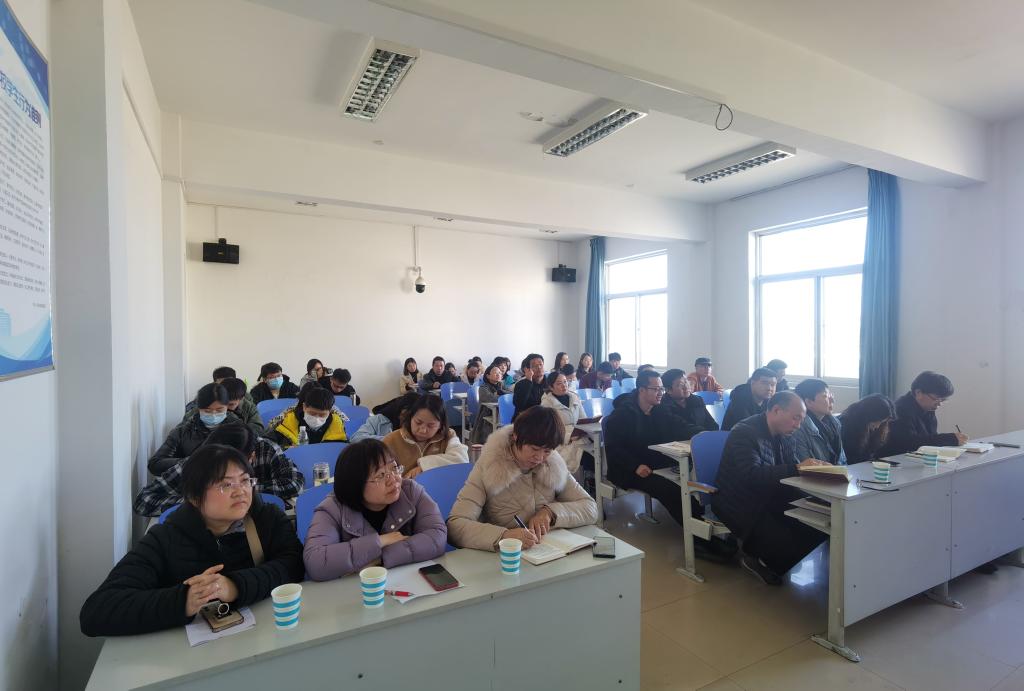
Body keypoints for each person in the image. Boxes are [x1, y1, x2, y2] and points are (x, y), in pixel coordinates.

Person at [80, 445, 304, 636]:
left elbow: (293, 564)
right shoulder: (165, 539)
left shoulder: (267, 519)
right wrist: (184, 600)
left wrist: (235, 586)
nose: (241, 492)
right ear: (195, 497)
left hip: (265, 637)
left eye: (245, 481)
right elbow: (97, 611)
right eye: (226, 485)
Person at [604, 371, 729, 560]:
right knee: (670, 490)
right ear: (642, 390)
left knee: (691, 484)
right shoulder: (622, 414)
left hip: (657, 463)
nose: (661, 393)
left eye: (662, 389)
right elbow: (614, 448)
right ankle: (699, 540)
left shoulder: (660, 409)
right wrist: (635, 465)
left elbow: (680, 425)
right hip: (632, 469)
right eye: (656, 389)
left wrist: (703, 434)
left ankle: (706, 529)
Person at [712, 391, 830, 585]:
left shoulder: (787, 434)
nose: (798, 425)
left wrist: (815, 475)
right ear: (776, 410)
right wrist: (798, 468)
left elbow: (790, 469)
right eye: (795, 418)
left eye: (801, 420)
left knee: (819, 524)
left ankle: (773, 557)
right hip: (737, 500)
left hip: (770, 494)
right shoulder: (744, 432)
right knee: (786, 545)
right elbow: (751, 475)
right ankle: (753, 557)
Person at [448, 406, 597, 551]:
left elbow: (590, 508)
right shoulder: (489, 466)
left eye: (547, 451)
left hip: (546, 551)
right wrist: (503, 536)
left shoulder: (553, 464)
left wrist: (550, 513)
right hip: (505, 556)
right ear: (516, 437)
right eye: (534, 449)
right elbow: (456, 525)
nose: (539, 458)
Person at [303, 440, 447, 580]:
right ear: (355, 484)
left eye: (394, 468)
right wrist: (380, 541)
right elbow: (316, 562)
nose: (394, 480)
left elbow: (437, 536)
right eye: (380, 475)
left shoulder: (411, 492)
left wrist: (382, 558)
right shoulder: (332, 508)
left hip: (406, 583)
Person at [134, 422, 304, 517]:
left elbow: (294, 482)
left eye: (242, 476)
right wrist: (202, 500)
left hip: (255, 523)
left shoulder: (265, 449)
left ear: (251, 456)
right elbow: (144, 501)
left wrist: (244, 489)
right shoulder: (201, 460)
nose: (229, 470)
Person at [149, 383, 241, 475]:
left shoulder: (239, 430)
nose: (213, 414)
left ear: (227, 407)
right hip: (191, 481)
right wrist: (192, 462)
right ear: (198, 408)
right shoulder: (183, 432)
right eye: (207, 411)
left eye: (219, 410)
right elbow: (155, 464)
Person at [880, 371, 968, 455]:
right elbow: (908, 443)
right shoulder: (900, 409)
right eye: (936, 399)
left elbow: (930, 438)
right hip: (894, 459)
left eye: (943, 400)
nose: (939, 404)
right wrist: (948, 439)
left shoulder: (928, 408)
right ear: (918, 392)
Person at [381, 394, 468, 479]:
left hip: (438, 486)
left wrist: (424, 466)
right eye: (418, 422)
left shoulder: (448, 435)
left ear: (441, 425)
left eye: (431, 425)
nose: (423, 430)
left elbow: (462, 459)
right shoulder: (391, 441)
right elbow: (380, 474)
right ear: (410, 418)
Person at [264, 386, 347, 449]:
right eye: (312, 413)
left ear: (330, 411)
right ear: (304, 407)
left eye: (322, 415)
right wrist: (285, 449)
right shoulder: (289, 421)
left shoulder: (337, 424)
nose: (316, 418)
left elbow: (343, 449)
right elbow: (265, 444)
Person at [540, 372, 589, 473]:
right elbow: (549, 431)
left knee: (597, 448)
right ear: (551, 387)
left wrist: (584, 430)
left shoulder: (574, 397)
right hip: (560, 441)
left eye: (565, 382)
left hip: (578, 435)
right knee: (586, 452)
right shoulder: (547, 404)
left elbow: (583, 419)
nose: (564, 385)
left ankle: (593, 478)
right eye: (559, 383)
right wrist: (569, 437)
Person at [183, 377, 263, 436]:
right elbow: (184, 425)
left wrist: (240, 433)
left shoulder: (248, 407)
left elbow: (258, 428)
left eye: (231, 404)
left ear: (241, 399)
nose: (226, 408)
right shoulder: (207, 405)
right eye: (223, 403)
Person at [790, 378, 845, 465]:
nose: (832, 400)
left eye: (830, 396)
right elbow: (806, 466)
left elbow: (842, 461)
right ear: (809, 402)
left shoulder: (834, 423)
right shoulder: (799, 428)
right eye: (825, 396)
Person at [840, 394, 896, 464]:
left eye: (882, 422)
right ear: (870, 415)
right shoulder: (846, 424)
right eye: (877, 421)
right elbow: (850, 456)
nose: (877, 426)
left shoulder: (877, 427)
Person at [470, 364, 511, 445]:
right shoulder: (483, 387)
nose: (498, 374)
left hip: (500, 413)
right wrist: (501, 396)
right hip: (487, 414)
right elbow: (490, 398)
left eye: (500, 373)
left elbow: (511, 395)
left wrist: (502, 393)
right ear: (488, 376)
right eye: (496, 373)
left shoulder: (501, 385)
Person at [512, 353, 546, 420]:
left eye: (541, 364)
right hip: (525, 419)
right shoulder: (520, 384)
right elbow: (519, 405)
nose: (539, 367)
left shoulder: (550, 383)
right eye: (534, 365)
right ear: (527, 369)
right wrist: (528, 382)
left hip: (544, 418)